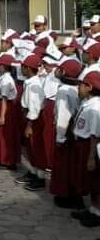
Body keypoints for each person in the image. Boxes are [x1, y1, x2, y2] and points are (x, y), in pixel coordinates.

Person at [50, 58, 84, 209]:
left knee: (64, 164)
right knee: (74, 164)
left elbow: (63, 115)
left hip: (67, 130)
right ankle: (75, 194)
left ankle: (66, 195)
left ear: (63, 72)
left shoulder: (64, 91)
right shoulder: (77, 88)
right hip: (75, 129)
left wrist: (60, 136)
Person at [69, 70, 100, 227]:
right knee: (87, 179)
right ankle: (92, 209)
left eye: (81, 85)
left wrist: (91, 156)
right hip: (80, 143)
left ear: (89, 87)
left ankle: (97, 213)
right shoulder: (87, 103)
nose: (78, 87)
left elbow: (95, 134)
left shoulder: (95, 107)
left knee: (95, 181)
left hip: (89, 145)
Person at [15, 53, 47, 191]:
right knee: (30, 148)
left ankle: (40, 177)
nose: (21, 69)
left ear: (27, 68)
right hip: (29, 117)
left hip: (33, 120)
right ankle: (33, 172)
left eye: (22, 67)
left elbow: (34, 108)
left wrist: (29, 125)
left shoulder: (34, 85)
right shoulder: (30, 83)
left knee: (36, 147)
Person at [0, 53, 21, 170]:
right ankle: (3, 158)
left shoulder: (6, 80)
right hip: (4, 105)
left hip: (5, 107)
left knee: (6, 134)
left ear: (2, 66)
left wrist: (2, 116)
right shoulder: (4, 78)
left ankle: (7, 160)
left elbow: (4, 99)